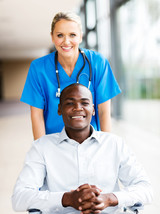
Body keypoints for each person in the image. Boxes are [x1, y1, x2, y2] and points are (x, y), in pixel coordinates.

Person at [12, 84, 153, 214]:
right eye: (70, 103)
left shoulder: (114, 144)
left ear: (93, 109)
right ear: (59, 109)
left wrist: (110, 198)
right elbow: (20, 197)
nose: (77, 108)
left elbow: (145, 189)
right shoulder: (42, 147)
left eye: (84, 103)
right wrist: (66, 199)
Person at [20, 12, 121, 140]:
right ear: (52, 37)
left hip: (90, 142)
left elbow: (103, 111)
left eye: (72, 35)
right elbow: (37, 115)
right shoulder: (38, 68)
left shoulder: (97, 63)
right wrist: (41, 151)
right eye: (60, 35)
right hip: (54, 142)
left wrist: (107, 148)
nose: (66, 41)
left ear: (80, 37)